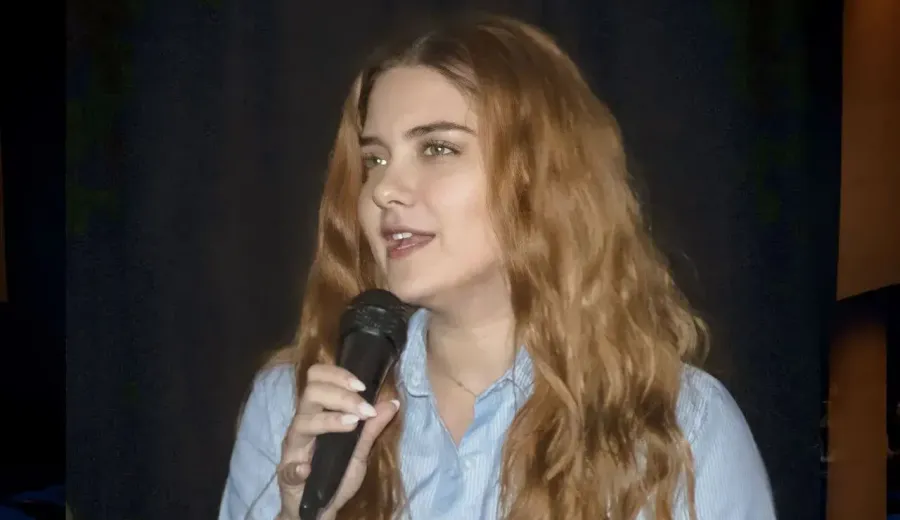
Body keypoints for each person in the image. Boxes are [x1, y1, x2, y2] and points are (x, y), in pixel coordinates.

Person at [218, 12, 776, 520]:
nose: (384, 188)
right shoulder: (296, 410)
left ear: (542, 177)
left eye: (437, 149)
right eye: (374, 159)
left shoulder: (679, 423)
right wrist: (300, 512)